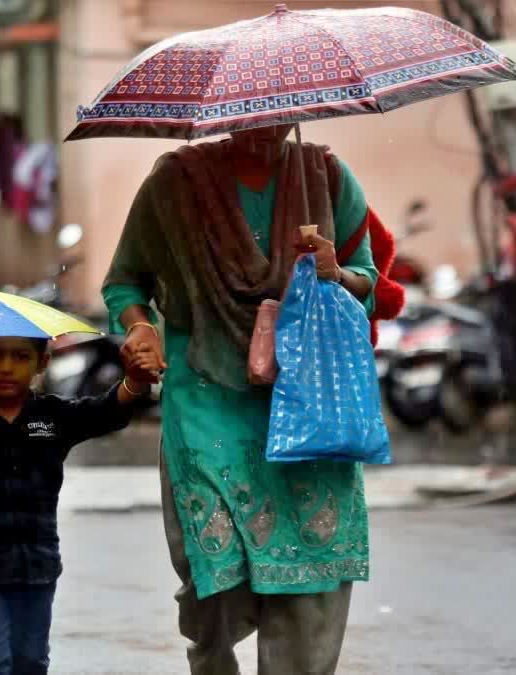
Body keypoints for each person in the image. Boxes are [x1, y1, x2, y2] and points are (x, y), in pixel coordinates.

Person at [104, 124, 382, 674]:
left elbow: (369, 281)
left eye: (280, 115)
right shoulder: (176, 183)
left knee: (312, 578)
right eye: (255, 116)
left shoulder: (325, 177)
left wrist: (336, 273)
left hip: (307, 403)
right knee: (213, 574)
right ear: (233, 113)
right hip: (208, 399)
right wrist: (138, 328)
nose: (266, 128)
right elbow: (124, 282)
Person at [0, 336, 159, 674]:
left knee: (31, 661)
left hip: (38, 565)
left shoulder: (53, 415)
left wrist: (133, 381)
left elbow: (104, 412)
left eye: (20, 356)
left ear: (42, 363)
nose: (6, 366)